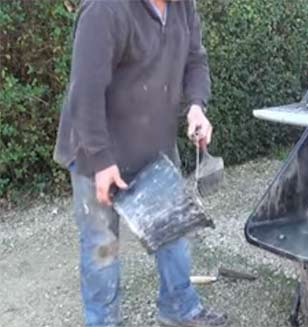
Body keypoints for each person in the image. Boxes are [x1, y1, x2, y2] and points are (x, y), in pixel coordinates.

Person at [53, 0, 227, 326]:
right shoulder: (105, 10)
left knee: (173, 230)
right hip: (96, 153)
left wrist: (195, 107)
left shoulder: (181, 6)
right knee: (102, 249)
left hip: (152, 146)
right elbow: (85, 94)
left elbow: (195, 61)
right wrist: (102, 161)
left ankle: (180, 310)